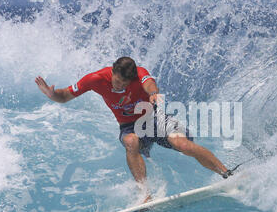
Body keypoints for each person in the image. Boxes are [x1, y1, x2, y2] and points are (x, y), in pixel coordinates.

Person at [35, 57, 233, 202]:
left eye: (124, 83)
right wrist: (51, 94)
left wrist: (153, 94)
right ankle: (145, 196)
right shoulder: (95, 79)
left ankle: (226, 174)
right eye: (117, 81)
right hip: (129, 127)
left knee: (183, 144)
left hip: (153, 116)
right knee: (130, 142)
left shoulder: (139, 74)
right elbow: (65, 96)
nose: (119, 86)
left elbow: (149, 83)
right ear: (112, 71)